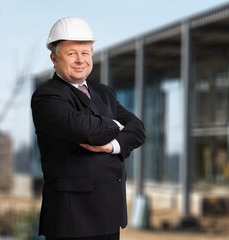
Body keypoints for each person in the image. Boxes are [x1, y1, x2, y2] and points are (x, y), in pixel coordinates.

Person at [31, 16, 145, 239]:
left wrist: (112, 145)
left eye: (85, 53)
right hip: (73, 218)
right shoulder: (47, 97)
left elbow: (138, 129)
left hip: (110, 214)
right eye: (71, 53)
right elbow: (87, 130)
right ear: (53, 58)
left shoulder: (105, 93)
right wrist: (114, 124)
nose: (80, 60)